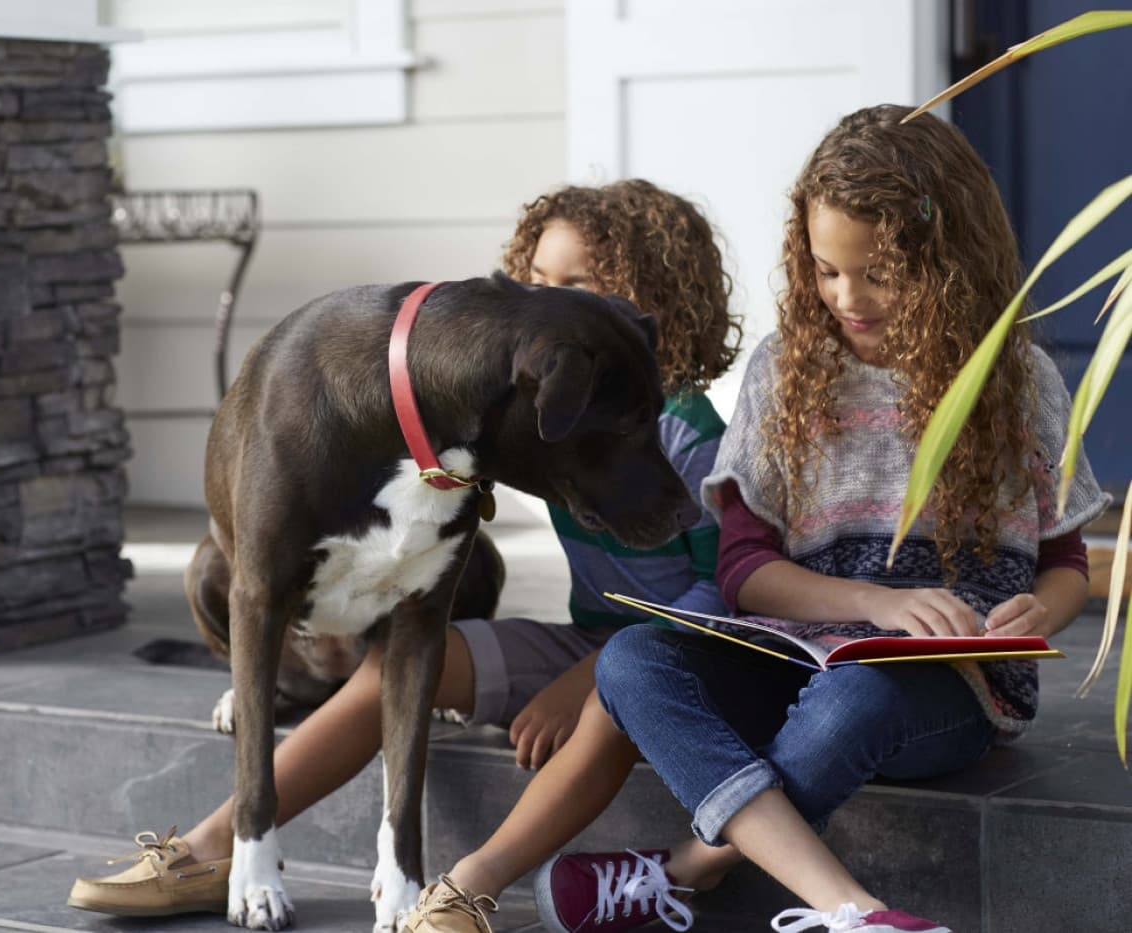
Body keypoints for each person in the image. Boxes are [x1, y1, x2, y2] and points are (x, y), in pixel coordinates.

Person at [406, 104, 1112, 933]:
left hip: (952, 694)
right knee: (632, 661)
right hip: (800, 662)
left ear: (949, 260)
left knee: (854, 699)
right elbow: (744, 569)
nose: (848, 298)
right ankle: (857, 910)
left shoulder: (1017, 378)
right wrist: (876, 604)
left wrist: (1040, 608)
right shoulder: (786, 371)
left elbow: (1065, 556)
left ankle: (685, 870)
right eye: (826, 270)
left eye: (879, 273)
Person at [65, 179, 744, 920]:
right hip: (580, 641)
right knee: (394, 667)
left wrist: (587, 678)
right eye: (537, 278)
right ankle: (218, 841)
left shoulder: (667, 428)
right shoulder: (514, 405)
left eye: (572, 283)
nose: (544, 296)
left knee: (606, 689)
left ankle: (464, 887)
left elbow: (723, 592)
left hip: (662, 657)